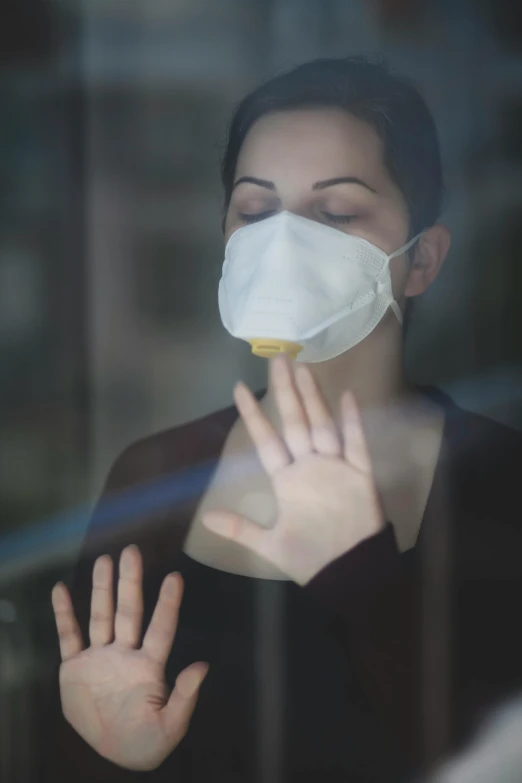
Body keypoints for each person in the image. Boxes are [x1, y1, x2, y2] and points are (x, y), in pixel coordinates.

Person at [40, 57, 522, 783]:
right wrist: (111, 757)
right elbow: (74, 752)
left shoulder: (499, 476)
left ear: (422, 259)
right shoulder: (156, 475)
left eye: (337, 213)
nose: (284, 242)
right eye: (256, 211)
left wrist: (361, 573)